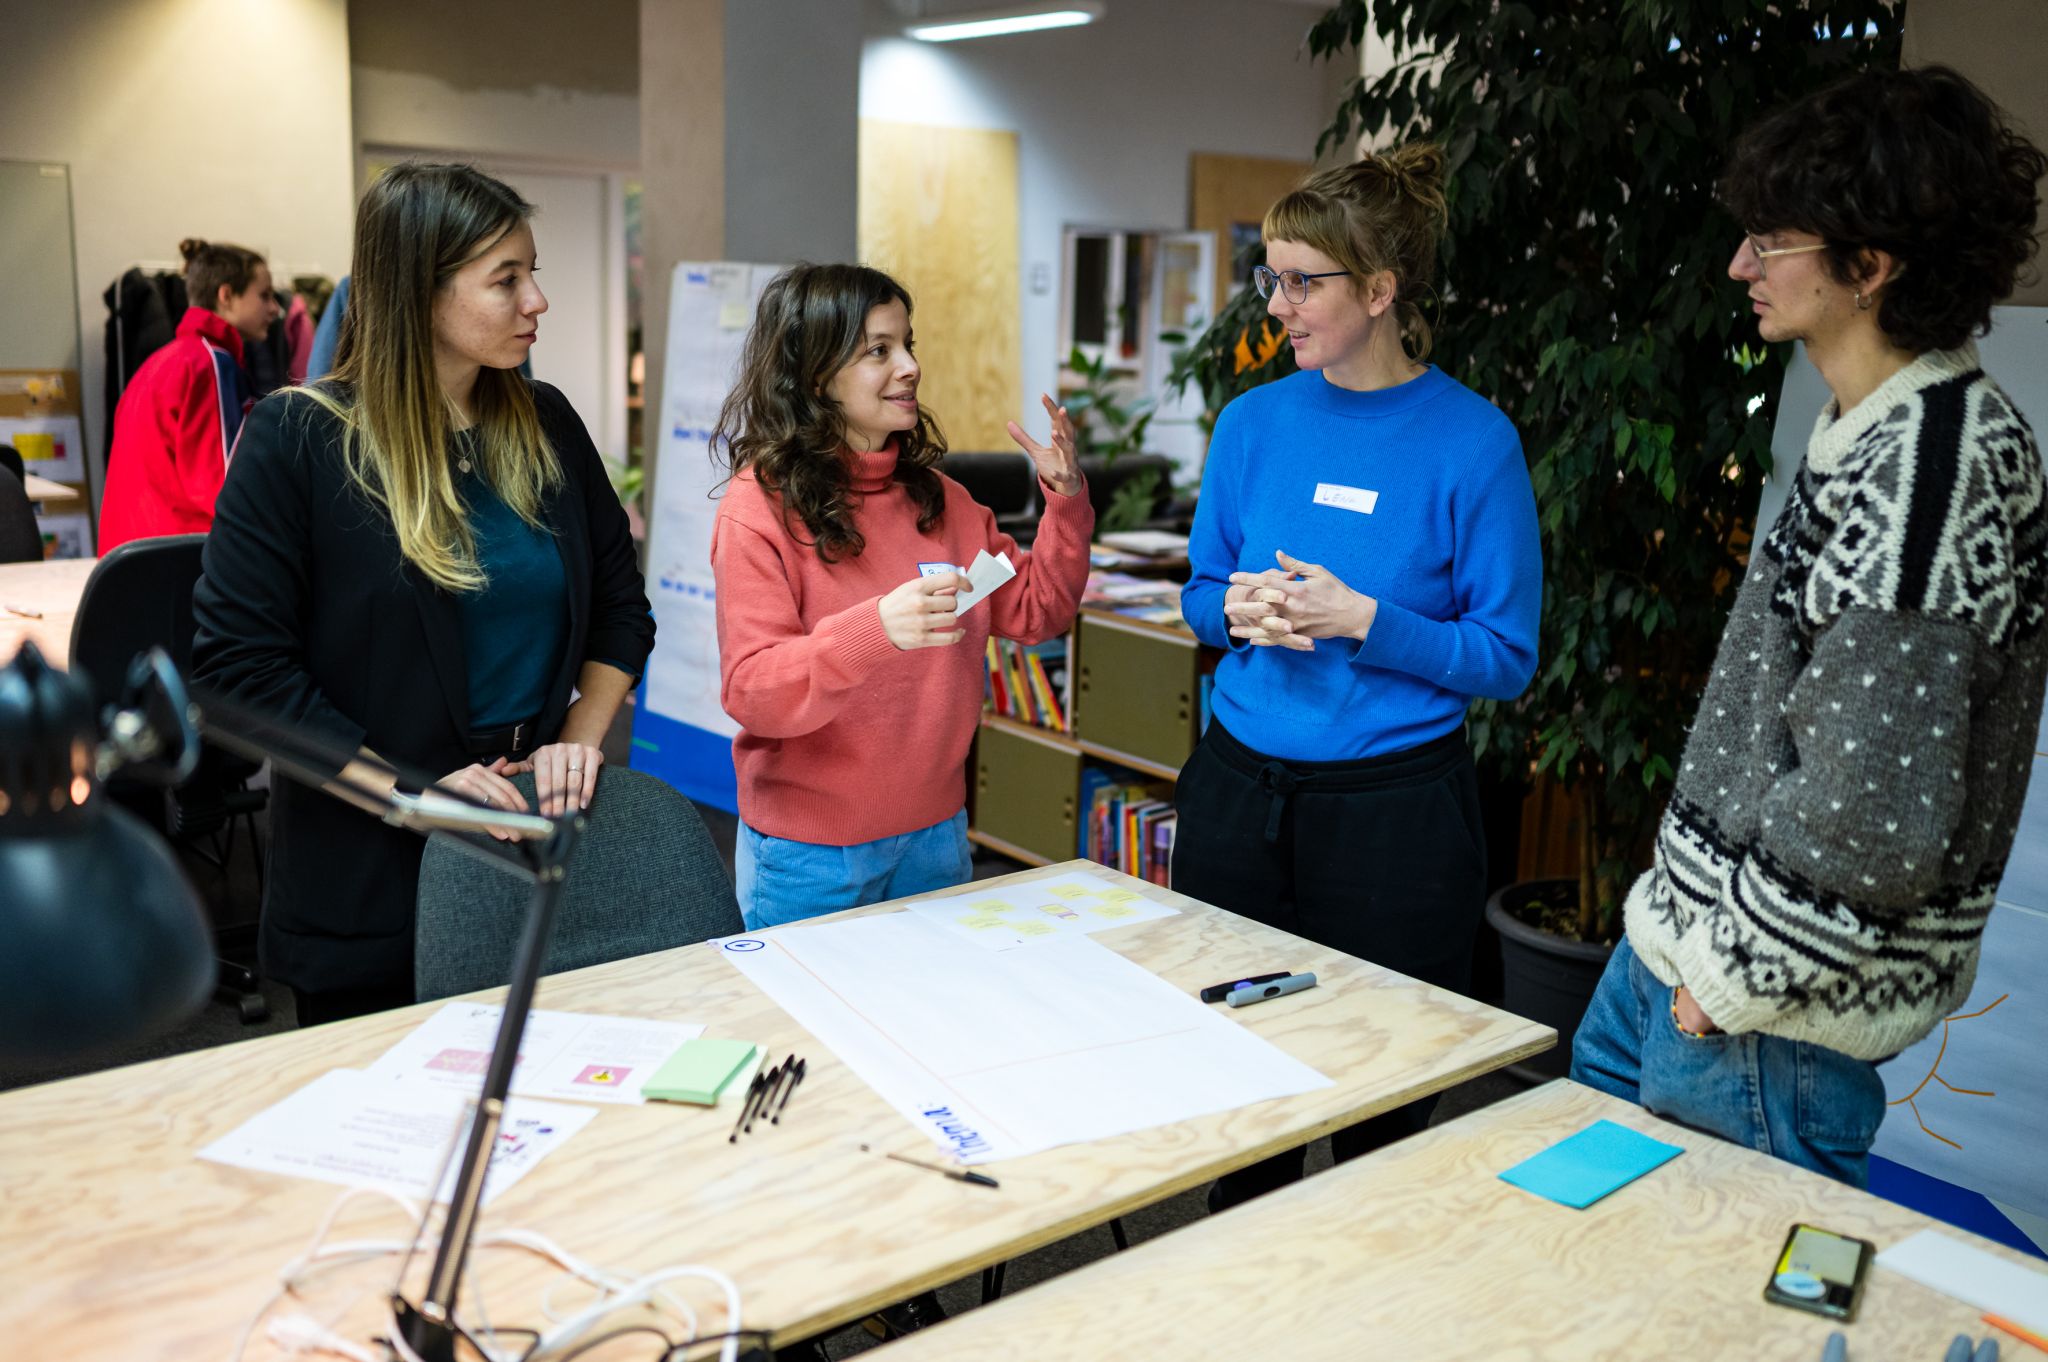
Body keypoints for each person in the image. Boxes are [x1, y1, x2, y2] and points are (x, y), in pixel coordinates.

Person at [1570, 66, 2048, 1187]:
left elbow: (1869, 813)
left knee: (1685, 1286)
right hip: (1680, 960)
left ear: (1869, 266)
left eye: (1771, 241)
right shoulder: (1869, 426)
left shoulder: (1934, 473)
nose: (1741, 267)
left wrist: (1720, 985)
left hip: (1754, 1019)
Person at [192, 163, 654, 1026]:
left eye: (532, 273)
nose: (537, 301)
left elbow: (621, 609)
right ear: (419, 291)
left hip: (531, 840)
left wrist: (577, 741)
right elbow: (239, 674)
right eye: (505, 280)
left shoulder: (547, 423)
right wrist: (411, 795)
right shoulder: (299, 439)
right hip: (368, 877)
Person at [1174, 144, 1542, 1209]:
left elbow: (1506, 656)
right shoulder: (1251, 424)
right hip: (1238, 800)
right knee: (1240, 1096)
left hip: (1393, 824)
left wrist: (1366, 622)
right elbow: (1200, 592)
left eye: (1302, 282)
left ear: (1379, 291)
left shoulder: (1473, 444)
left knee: (1379, 1106)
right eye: (1271, 277)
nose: (1275, 304)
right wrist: (1233, 614)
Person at [711, 263, 1093, 930]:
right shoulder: (757, 509)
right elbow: (753, 691)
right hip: (811, 855)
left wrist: (1065, 500)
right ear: (815, 376)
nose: (910, 367)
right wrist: (874, 631)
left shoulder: (944, 502)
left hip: (935, 837)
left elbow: (1039, 610)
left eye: (908, 344)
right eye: (878, 351)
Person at [98, 238, 280, 551]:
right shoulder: (211, 365)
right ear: (226, 296)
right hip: (180, 557)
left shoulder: (158, 363)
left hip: (126, 560)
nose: (275, 308)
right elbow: (227, 489)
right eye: (264, 296)